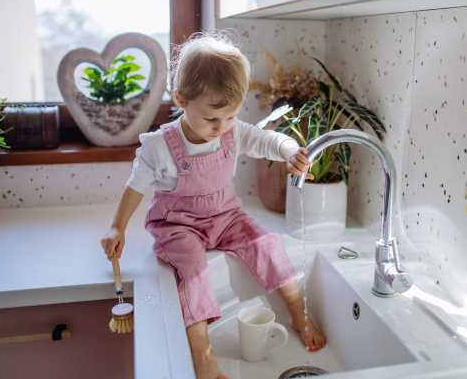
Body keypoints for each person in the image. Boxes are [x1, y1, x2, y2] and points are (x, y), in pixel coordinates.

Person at [100, 32, 326, 379]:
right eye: (211, 119)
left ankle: (299, 315)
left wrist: (289, 150)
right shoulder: (159, 147)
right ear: (180, 99)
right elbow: (135, 187)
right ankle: (203, 356)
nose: (221, 129)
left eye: (231, 117)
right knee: (193, 269)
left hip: (225, 218)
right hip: (177, 226)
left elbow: (267, 139)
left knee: (267, 243)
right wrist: (117, 226)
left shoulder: (231, 132)